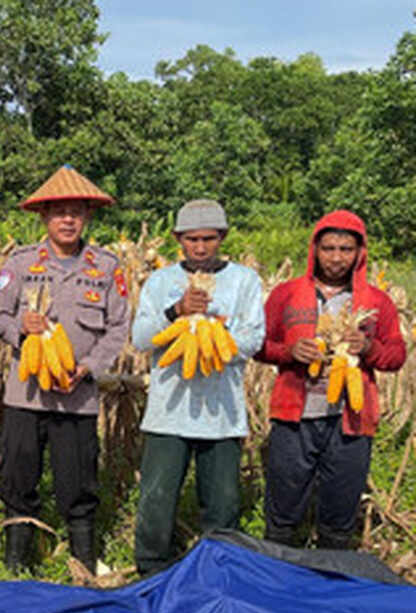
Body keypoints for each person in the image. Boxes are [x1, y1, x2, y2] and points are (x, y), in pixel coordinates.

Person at [0, 165, 129, 574]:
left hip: (78, 395)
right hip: (26, 394)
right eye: (58, 212)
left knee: (78, 480)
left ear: (87, 217)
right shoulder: (20, 262)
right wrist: (20, 328)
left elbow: (118, 326)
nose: (67, 219)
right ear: (43, 218)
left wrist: (87, 368)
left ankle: (82, 560)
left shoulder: (106, 267)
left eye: (76, 212)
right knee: (18, 477)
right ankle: (16, 562)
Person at [256, 210, 405, 549]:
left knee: (340, 511)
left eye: (346, 249)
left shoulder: (377, 302)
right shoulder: (287, 294)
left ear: (360, 253)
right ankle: (279, 578)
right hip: (295, 416)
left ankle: (329, 583)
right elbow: (260, 346)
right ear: (315, 250)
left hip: (351, 420)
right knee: (283, 508)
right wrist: (289, 352)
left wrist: (368, 347)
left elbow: (396, 356)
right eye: (329, 248)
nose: (337, 258)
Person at [131, 199, 265, 575]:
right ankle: (152, 569)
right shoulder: (160, 282)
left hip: (222, 412)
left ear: (222, 237)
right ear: (178, 239)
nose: (201, 247)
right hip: (167, 411)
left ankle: (219, 569)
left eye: (209, 238)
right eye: (192, 239)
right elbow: (141, 339)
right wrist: (176, 313)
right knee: (156, 500)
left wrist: (211, 331)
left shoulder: (244, 281)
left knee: (222, 501)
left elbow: (253, 339)